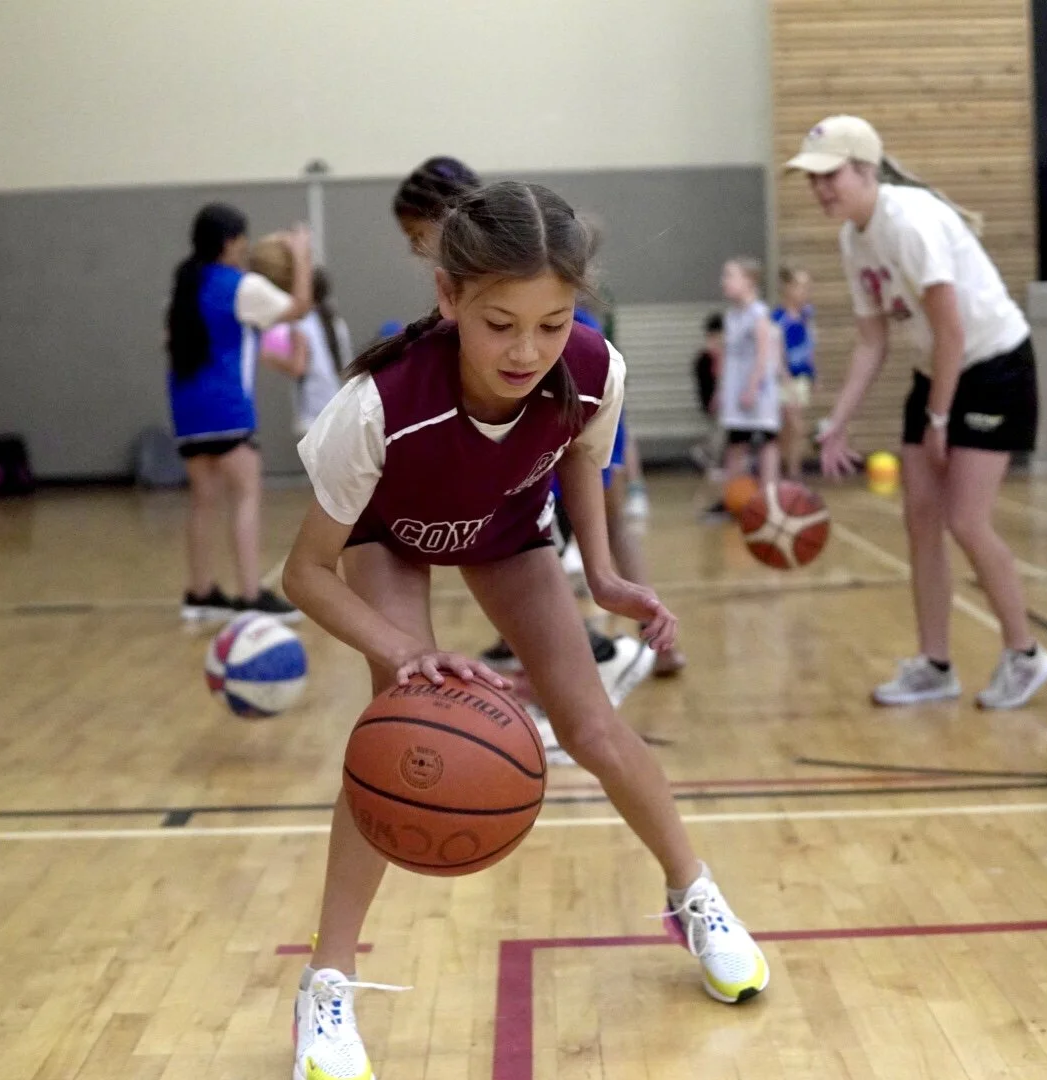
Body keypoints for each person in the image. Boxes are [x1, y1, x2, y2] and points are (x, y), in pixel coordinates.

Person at [282, 181, 768, 1080]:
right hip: (390, 537)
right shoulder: (377, 406)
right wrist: (402, 653)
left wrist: (607, 570)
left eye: (552, 324)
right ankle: (327, 982)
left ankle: (693, 894)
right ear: (449, 298)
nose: (527, 350)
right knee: (394, 731)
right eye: (500, 322)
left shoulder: (593, 368)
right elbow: (303, 572)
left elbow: (581, 452)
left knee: (592, 726)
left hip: (506, 530)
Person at [792, 115, 1047, 710]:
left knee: (966, 518)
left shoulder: (909, 222)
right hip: (936, 369)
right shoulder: (853, 239)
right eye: (812, 180)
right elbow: (872, 340)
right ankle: (935, 665)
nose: (820, 190)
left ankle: (1026, 654)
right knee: (920, 518)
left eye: (829, 176)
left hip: (992, 367)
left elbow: (952, 328)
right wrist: (838, 419)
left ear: (865, 169)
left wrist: (939, 421)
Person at [391, 157, 660, 701]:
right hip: (532, 470)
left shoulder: (557, 332)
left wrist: (608, 460)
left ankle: (605, 661)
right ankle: (601, 660)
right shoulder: (481, 320)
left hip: (554, 464)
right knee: (567, 575)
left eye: (417, 235)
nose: (415, 250)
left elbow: (591, 409)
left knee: (567, 578)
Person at [165, 204, 311, 623]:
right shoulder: (239, 285)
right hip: (226, 406)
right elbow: (299, 306)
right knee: (246, 495)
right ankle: (250, 594)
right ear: (230, 242)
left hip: (186, 408)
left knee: (203, 501)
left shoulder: (186, 285)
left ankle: (201, 592)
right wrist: (300, 254)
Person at [715, 257, 782, 509]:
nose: (724, 282)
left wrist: (753, 387)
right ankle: (730, 498)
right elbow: (727, 355)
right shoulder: (732, 316)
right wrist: (721, 390)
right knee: (735, 443)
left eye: (730, 276)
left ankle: (770, 497)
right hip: (735, 390)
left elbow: (764, 354)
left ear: (749, 281)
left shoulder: (758, 313)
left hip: (758, 392)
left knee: (766, 441)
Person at [261, 268, 355, 437]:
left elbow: (298, 367)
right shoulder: (336, 321)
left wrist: (271, 359)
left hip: (315, 409)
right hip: (339, 405)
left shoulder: (302, 324)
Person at [772, 267, 817, 480]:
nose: (805, 291)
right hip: (784, 379)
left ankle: (789, 470)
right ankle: (790, 472)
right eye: (800, 286)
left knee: (793, 428)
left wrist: (815, 374)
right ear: (787, 289)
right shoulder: (778, 318)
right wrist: (784, 378)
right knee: (794, 425)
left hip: (801, 377)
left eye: (807, 287)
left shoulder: (807, 315)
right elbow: (776, 353)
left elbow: (809, 346)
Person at [689, 311, 724, 474]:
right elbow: (709, 381)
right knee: (717, 435)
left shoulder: (716, 355)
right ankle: (710, 461)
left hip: (718, 399)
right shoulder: (708, 357)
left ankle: (713, 460)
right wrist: (711, 399)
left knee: (719, 433)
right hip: (713, 399)